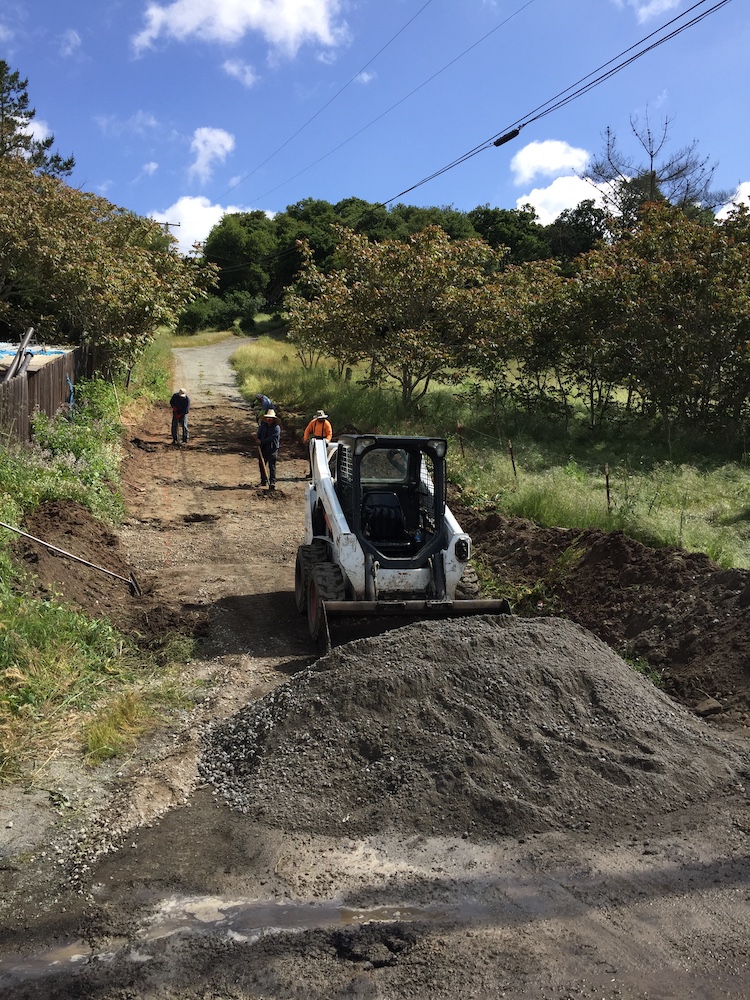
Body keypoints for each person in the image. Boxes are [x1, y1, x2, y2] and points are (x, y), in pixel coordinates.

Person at [303, 408, 333, 478]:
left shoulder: (326, 424)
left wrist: (327, 440)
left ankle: (322, 474)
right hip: (315, 440)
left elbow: (329, 433)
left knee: (323, 458)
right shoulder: (313, 422)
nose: (321, 420)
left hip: (323, 441)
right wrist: (305, 439)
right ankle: (312, 473)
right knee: (312, 457)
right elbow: (307, 430)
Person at [257, 408, 280, 490]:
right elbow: (259, 434)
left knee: (272, 466)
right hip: (263, 449)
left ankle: (272, 482)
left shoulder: (276, 428)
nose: (269, 420)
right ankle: (263, 481)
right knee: (261, 464)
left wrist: (262, 441)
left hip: (272, 449)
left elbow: (272, 438)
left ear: (273, 419)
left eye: (271, 418)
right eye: (268, 418)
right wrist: (258, 439)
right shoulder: (263, 426)